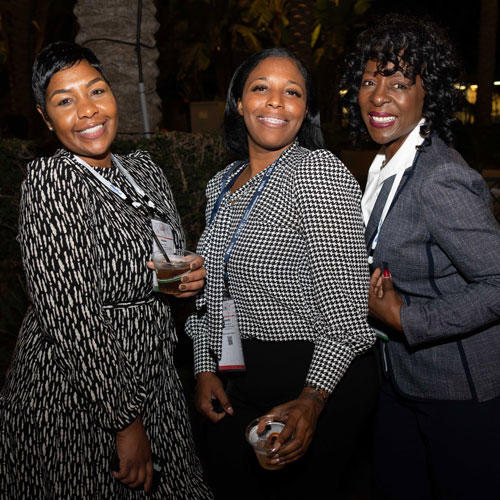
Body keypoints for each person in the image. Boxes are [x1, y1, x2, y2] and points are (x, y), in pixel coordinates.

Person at [0, 42, 213, 499]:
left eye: (96, 91)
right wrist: (124, 421)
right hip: (82, 393)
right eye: (65, 100)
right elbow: (71, 316)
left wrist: (183, 280)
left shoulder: (144, 170)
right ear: (45, 118)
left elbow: (162, 258)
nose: (87, 110)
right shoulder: (52, 181)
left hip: (154, 378)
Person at [185, 47, 377, 499]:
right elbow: (214, 294)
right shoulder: (221, 183)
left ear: (306, 110)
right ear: (239, 103)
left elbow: (347, 314)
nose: (276, 101)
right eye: (261, 88)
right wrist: (204, 367)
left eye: (292, 92)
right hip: (238, 373)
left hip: (313, 375)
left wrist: (312, 399)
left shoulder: (316, 172)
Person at [341, 13, 500, 499]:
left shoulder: (439, 176)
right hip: (400, 378)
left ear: (428, 93)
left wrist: (407, 318)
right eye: (369, 81)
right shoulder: (385, 161)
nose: (378, 96)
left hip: (459, 391)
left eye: (399, 83)